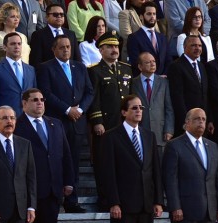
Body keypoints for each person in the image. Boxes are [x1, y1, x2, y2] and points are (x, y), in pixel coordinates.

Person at [98, 95, 163, 223]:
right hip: (123, 205)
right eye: (134, 108)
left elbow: (155, 171)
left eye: (140, 108)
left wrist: (157, 200)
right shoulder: (111, 137)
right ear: (124, 112)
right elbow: (107, 173)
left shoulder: (148, 136)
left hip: (145, 203)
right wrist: (113, 202)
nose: (138, 111)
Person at [16, 88, 72, 223]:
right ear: (24, 104)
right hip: (27, 192)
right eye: (34, 100)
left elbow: (64, 154)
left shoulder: (55, 124)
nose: (39, 103)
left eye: (42, 99)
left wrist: (68, 181)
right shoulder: (17, 125)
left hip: (52, 189)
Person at [37, 35, 93, 213]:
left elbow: (90, 92)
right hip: (57, 121)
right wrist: (68, 110)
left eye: (68, 47)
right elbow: (46, 93)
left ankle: (72, 201)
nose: (66, 50)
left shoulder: (80, 67)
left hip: (77, 122)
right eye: (61, 47)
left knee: (73, 162)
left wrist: (81, 110)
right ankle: (54, 198)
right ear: (54, 49)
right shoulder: (45, 68)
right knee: (56, 160)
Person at [88, 31, 132, 208]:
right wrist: (97, 121)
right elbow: (94, 98)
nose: (114, 50)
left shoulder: (126, 68)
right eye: (110, 47)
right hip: (106, 126)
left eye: (116, 46)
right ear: (100, 50)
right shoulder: (94, 71)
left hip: (125, 125)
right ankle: (105, 199)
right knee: (104, 163)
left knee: (124, 163)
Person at [131, 52, 173, 156]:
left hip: (160, 132)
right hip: (140, 131)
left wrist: (169, 129)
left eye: (153, 61)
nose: (152, 64)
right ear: (140, 67)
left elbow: (168, 108)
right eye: (148, 62)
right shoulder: (133, 83)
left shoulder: (164, 82)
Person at [167, 35, 211, 136]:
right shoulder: (176, 66)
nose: (198, 48)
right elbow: (177, 97)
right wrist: (185, 121)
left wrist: (209, 119)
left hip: (201, 122)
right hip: (187, 124)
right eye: (193, 45)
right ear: (184, 47)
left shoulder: (201, 66)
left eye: (200, 46)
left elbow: (205, 95)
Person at [0, 32, 35, 116]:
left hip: (28, 118)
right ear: (5, 47)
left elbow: (35, 95)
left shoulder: (30, 70)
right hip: (7, 118)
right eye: (13, 44)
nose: (17, 47)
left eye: (19, 44)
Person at [126, 1, 167, 75]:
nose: (152, 17)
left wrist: (163, 76)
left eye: (154, 14)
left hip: (163, 81)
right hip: (145, 81)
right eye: (149, 14)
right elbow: (136, 62)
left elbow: (168, 60)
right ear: (141, 16)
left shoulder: (162, 38)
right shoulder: (133, 38)